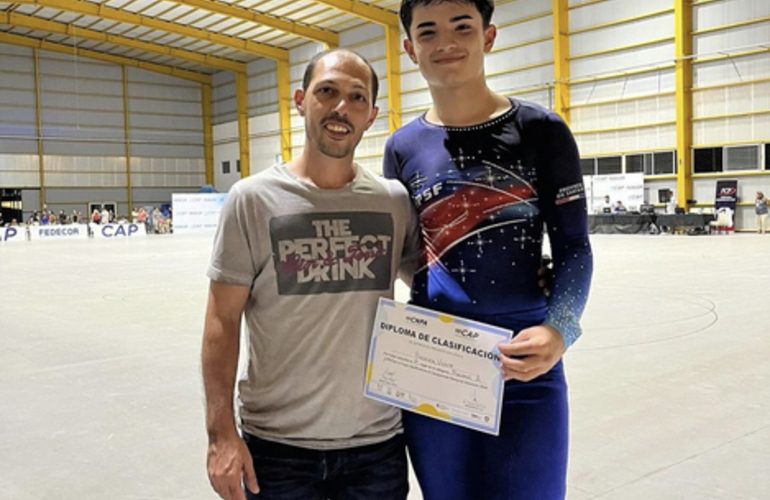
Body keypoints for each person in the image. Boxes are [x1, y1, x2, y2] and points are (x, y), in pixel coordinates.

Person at [383, 0, 593, 499]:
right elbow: (407, 254)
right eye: (428, 32)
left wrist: (560, 328)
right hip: (435, 360)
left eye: (462, 27)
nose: (446, 43)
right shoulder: (402, 147)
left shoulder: (542, 131)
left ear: (489, 37)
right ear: (410, 49)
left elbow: (575, 247)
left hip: (525, 363)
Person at [201, 49, 421, 500]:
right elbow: (222, 323)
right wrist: (220, 433)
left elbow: (438, 285)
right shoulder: (252, 200)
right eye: (328, 92)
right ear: (301, 101)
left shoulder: (393, 202)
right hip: (278, 450)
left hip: (376, 447)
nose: (342, 108)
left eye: (357, 97)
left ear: (372, 115)